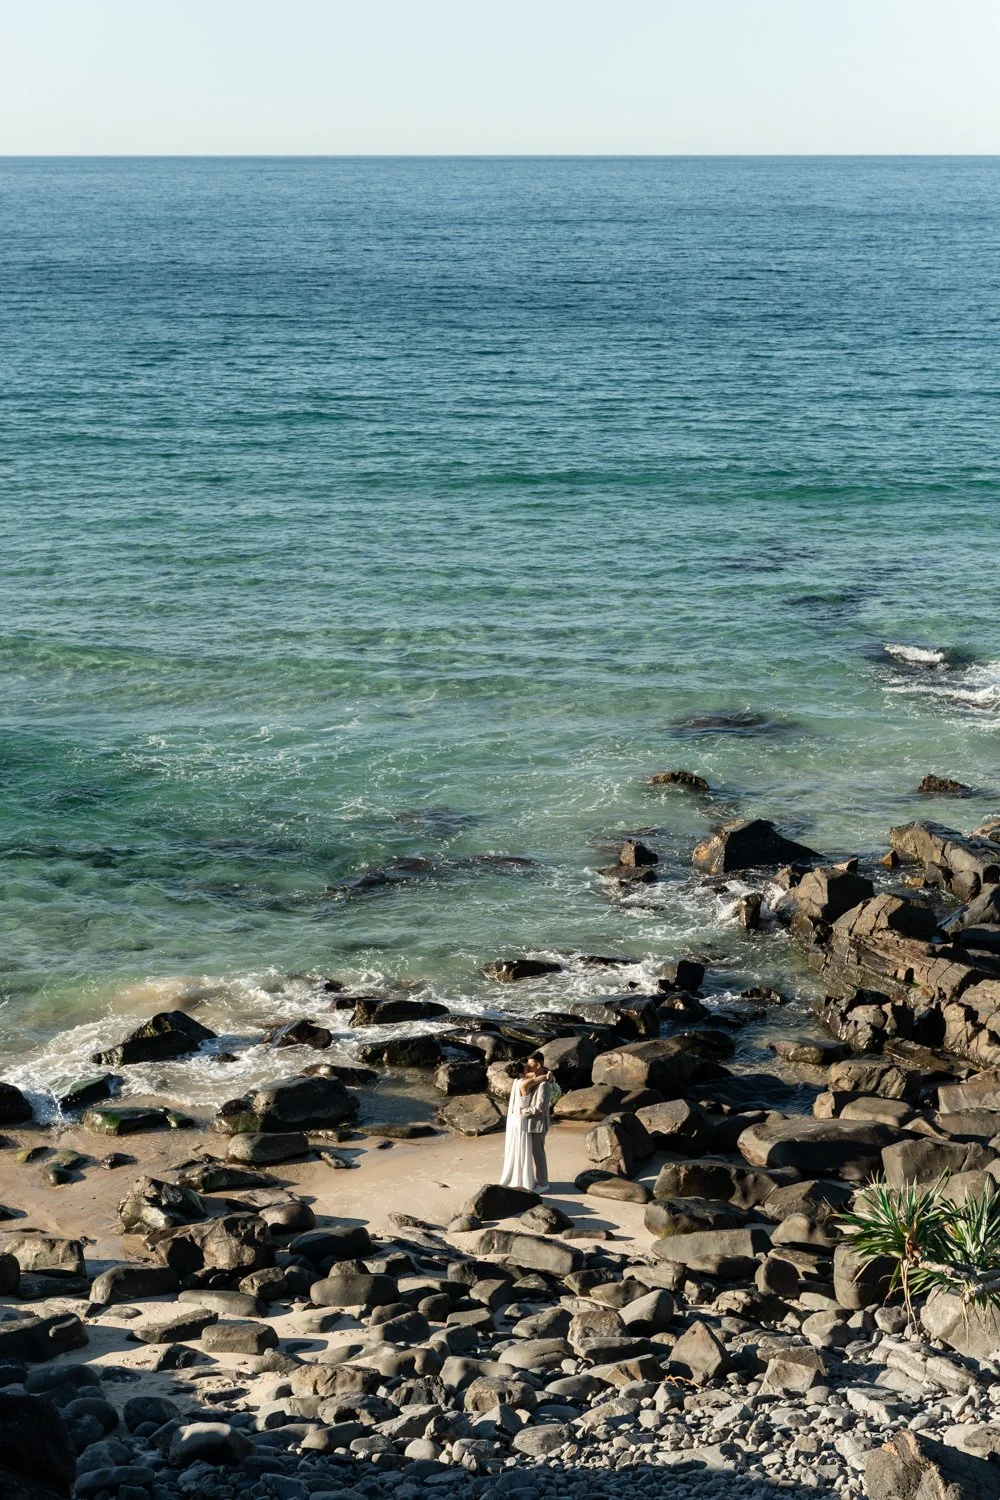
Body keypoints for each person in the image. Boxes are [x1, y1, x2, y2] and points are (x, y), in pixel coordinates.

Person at [499, 1052, 553, 1192]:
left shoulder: (544, 1085)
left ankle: (543, 1183)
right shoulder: (529, 1080)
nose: (528, 1067)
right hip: (526, 1123)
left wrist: (524, 1112)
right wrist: (547, 1074)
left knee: (538, 1154)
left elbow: (540, 1108)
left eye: (530, 1064)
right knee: (532, 1153)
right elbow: (537, 1078)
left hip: (537, 1124)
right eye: (527, 1065)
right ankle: (536, 1179)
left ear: (538, 1064)